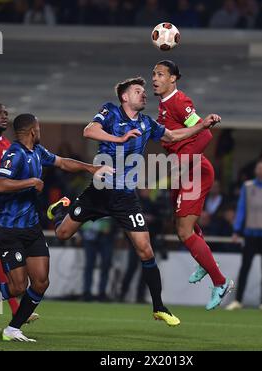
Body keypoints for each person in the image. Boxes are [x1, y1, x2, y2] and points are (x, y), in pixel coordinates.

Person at [47, 76, 220, 326]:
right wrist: (118, 139)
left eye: (143, 91)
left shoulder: (147, 123)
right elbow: (88, 131)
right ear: (125, 97)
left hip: (126, 197)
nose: (144, 94)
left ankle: (159, 307)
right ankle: (65, 206)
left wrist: (202, 126)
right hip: (99, 189)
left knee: (145, 250)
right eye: (138, 91)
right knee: (63, 234)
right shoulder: (110, 111)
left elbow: (172, 136)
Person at [0, 113, 111, 342]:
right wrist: (30, 182)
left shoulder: (38, 152)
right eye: (38, 128)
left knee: (41, 282)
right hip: (9, 230)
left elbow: (62, 162)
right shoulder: (14, 154)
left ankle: (13, 329)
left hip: (32, 228)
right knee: (18, 286)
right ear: (32, 131)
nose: (40, 131)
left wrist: (91, 168)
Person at [152, 60, 234, 310]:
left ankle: (220, 282)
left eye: (161, 74)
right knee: (183, 227)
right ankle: (203, 259)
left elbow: (205, 134)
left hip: (194, 171)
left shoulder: (179, 101)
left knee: (185, 231)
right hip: (184, 171)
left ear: (173, 79)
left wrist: (182, 163)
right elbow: (194, 129)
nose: (155, 78)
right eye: (153, 74)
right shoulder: (164, 104)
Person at [0, 103, 38, 331]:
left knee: (4, 270)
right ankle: (14, 310)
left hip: (4, 214)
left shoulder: (8, 146)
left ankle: (12, 311)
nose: (5, 116)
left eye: (6, 112)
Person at [226, 160, 262, 312]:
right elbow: (241, 210)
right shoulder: (247, 187)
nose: (261, 170)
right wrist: (237, 230)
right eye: (259, 168)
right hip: (250, 233)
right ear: (255, 170)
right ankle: (238, 300)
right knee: (244, 267)